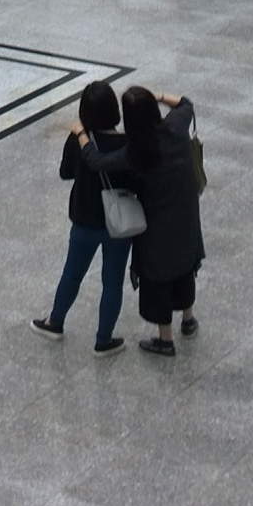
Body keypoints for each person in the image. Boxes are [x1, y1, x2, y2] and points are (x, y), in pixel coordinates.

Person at [81, 85, 202, 358]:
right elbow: (186, 103)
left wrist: (80, 134)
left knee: (159, 276)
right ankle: (188, 319)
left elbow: (97, 161)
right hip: (186, 213)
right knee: (185, 265)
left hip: (158, 224)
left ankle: (165, 340)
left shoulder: (136, 150)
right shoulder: (175, 127)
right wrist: (159, 95)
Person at [31, 81, 131, 355]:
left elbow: (65, 172)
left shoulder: (79, 140)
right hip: (118, 224)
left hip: (84, 220)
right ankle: (103, 339)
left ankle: (55, 322)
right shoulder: (127, 144)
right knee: (112, 282)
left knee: (72, 274)